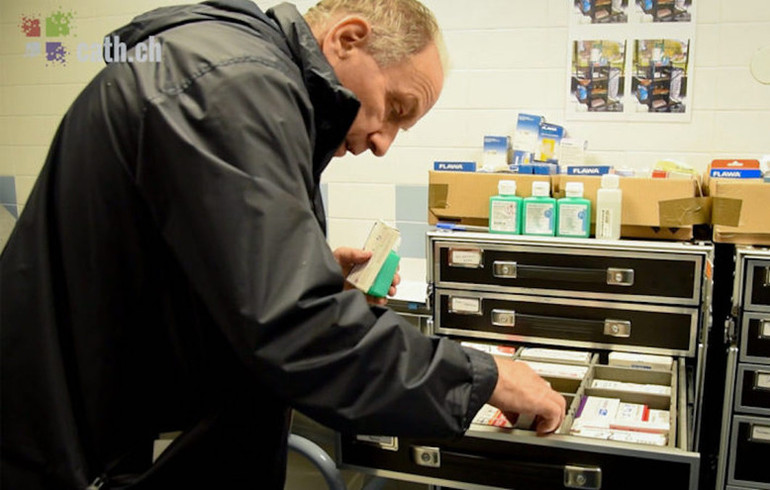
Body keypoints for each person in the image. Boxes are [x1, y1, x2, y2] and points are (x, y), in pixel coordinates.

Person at [0, 0, 566, 488]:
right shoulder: (235, 85)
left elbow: (193, 272)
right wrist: (482, 375)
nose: (384, 142)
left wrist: (315, 274)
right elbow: (294, 327)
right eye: (394, 109)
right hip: (89, 449)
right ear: (347, 39)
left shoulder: (233, 72)